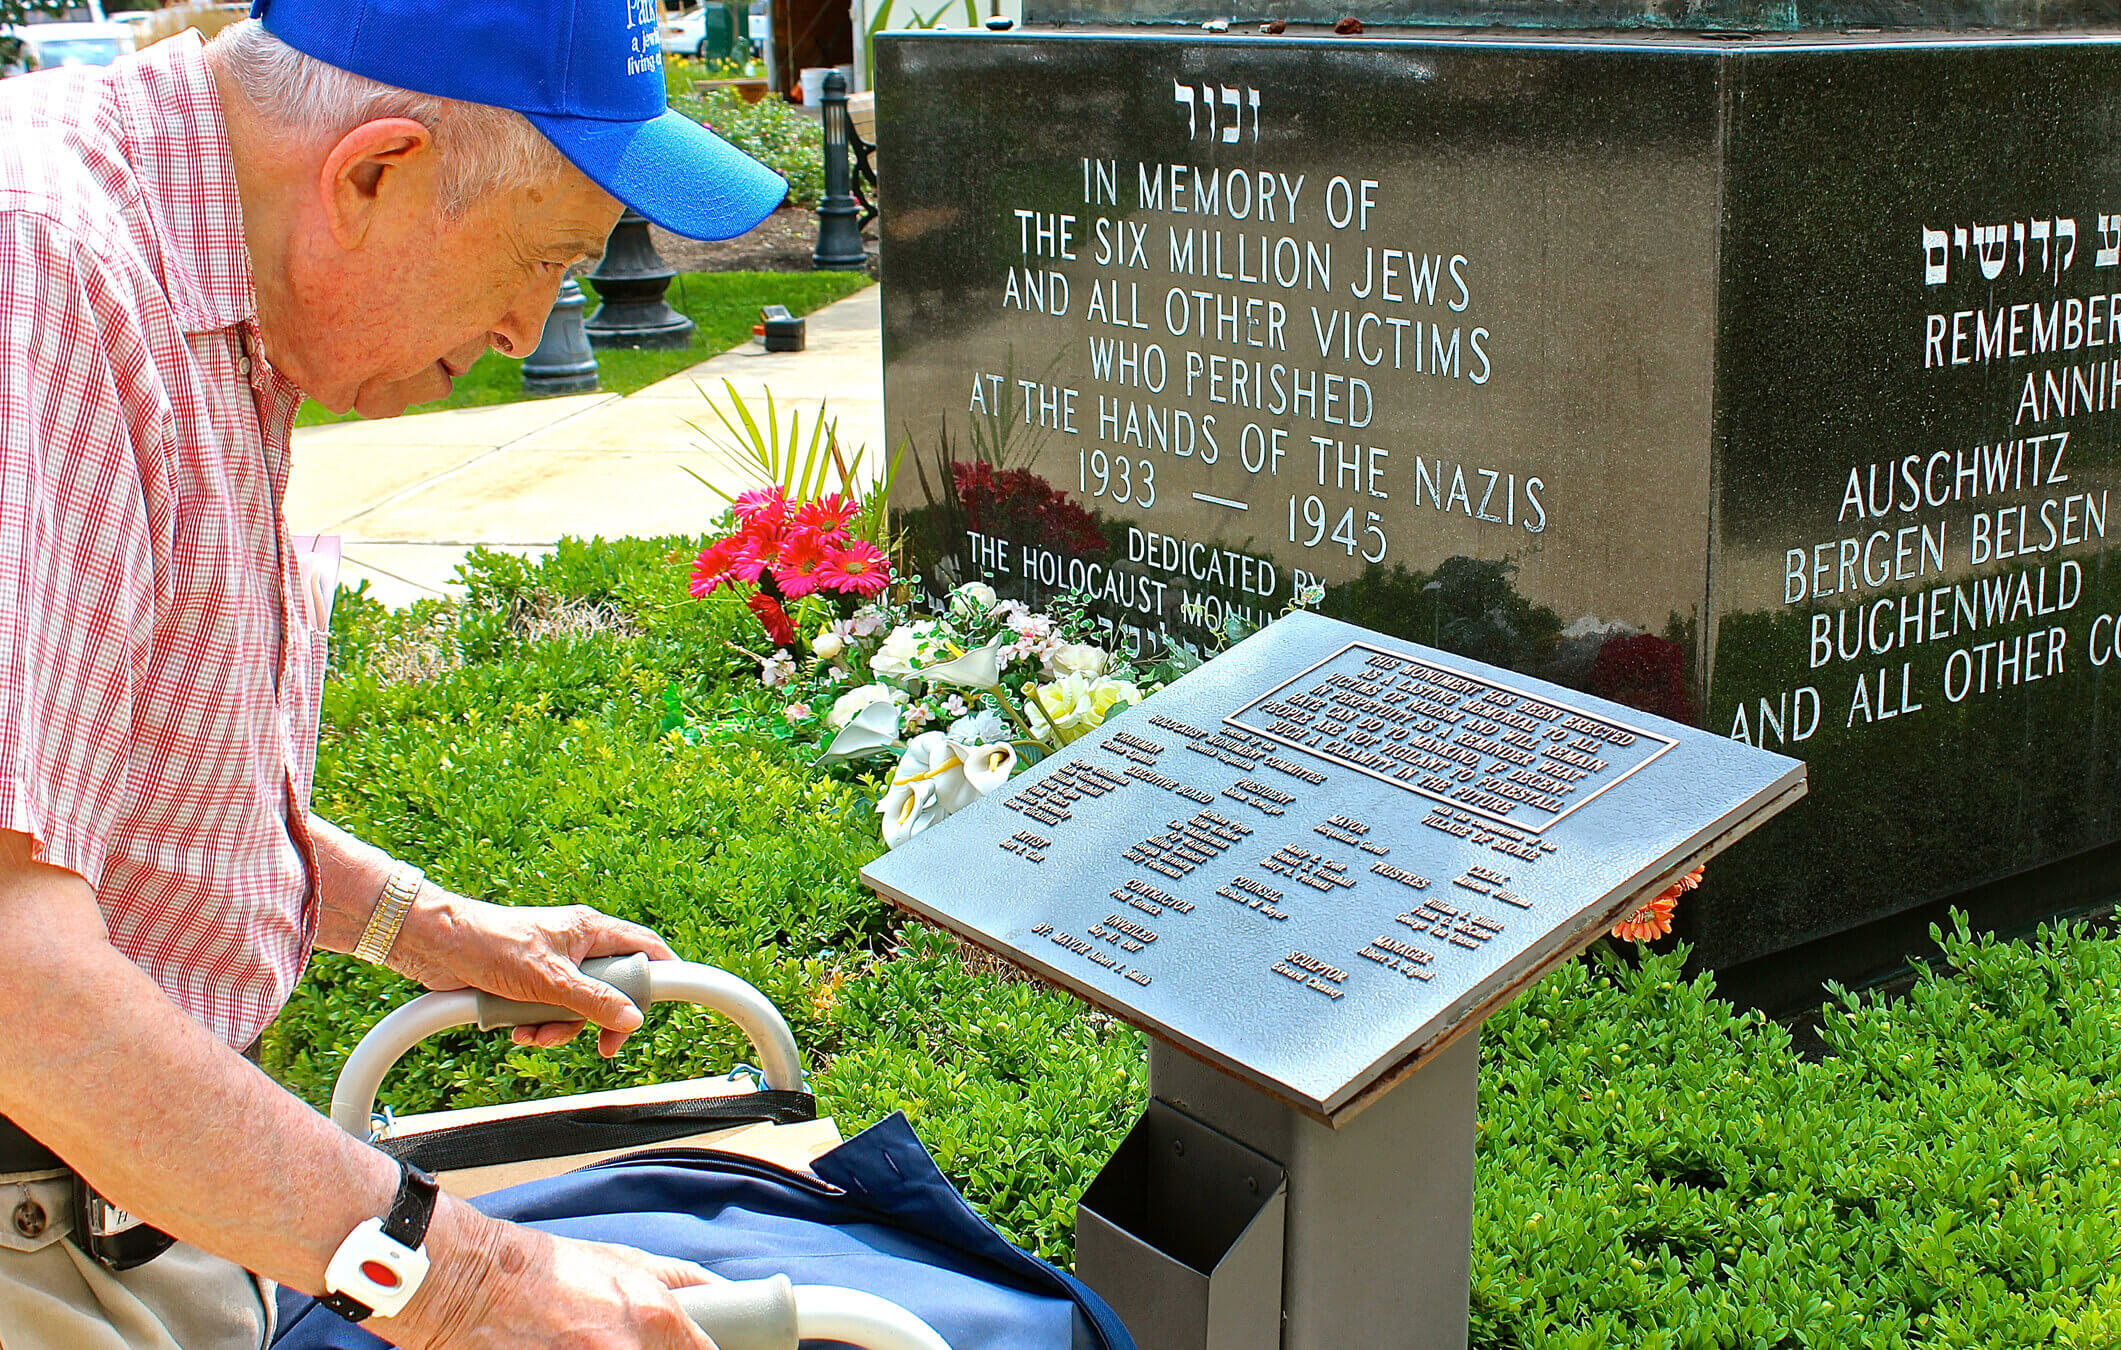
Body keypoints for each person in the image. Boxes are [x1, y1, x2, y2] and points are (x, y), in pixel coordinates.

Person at [0, 0, 788, 1346]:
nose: (523, 324)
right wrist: (467, 1282)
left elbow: (114, 777)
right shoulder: (48, 277)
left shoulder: (209, 258)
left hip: (127, 1197)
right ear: (371, 171)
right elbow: (19, 974)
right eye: (544, 258)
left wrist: (415, 921)